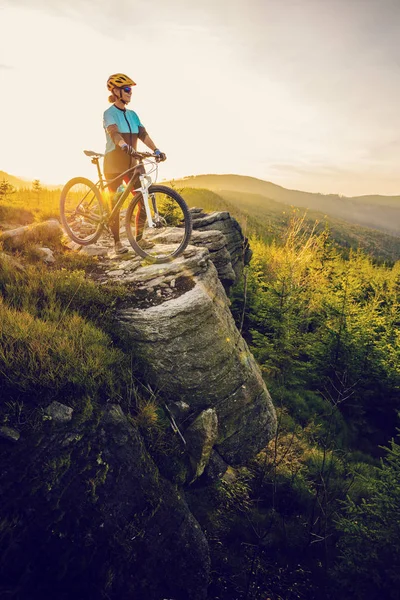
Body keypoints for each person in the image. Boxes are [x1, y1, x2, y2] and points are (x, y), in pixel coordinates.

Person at [103, 73, 166, 254]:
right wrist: (123, 145)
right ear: (115, 91)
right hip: (115, 163)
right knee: (115, 203)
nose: (130, 93)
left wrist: (156, 150)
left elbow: (143, 135)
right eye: (127, 89)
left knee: (143, 198)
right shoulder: (109, 113)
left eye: (131, 90)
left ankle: (139, 240)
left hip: (133, 162)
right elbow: (114, 133)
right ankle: (117, 243)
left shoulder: (133, 115)